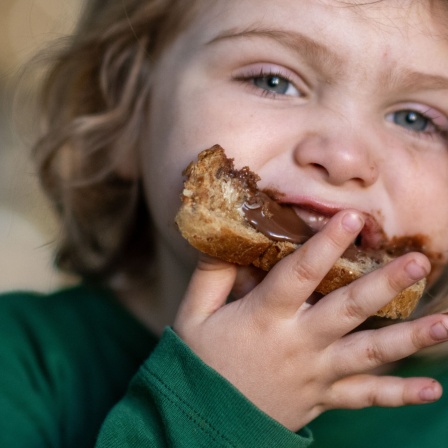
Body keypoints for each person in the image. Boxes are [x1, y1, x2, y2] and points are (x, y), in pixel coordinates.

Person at [4, 0, 448, 446]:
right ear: (129, 117)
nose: (343, 158)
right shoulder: (20, 364)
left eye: (417, 120)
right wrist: (215, 413)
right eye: (272, 81)